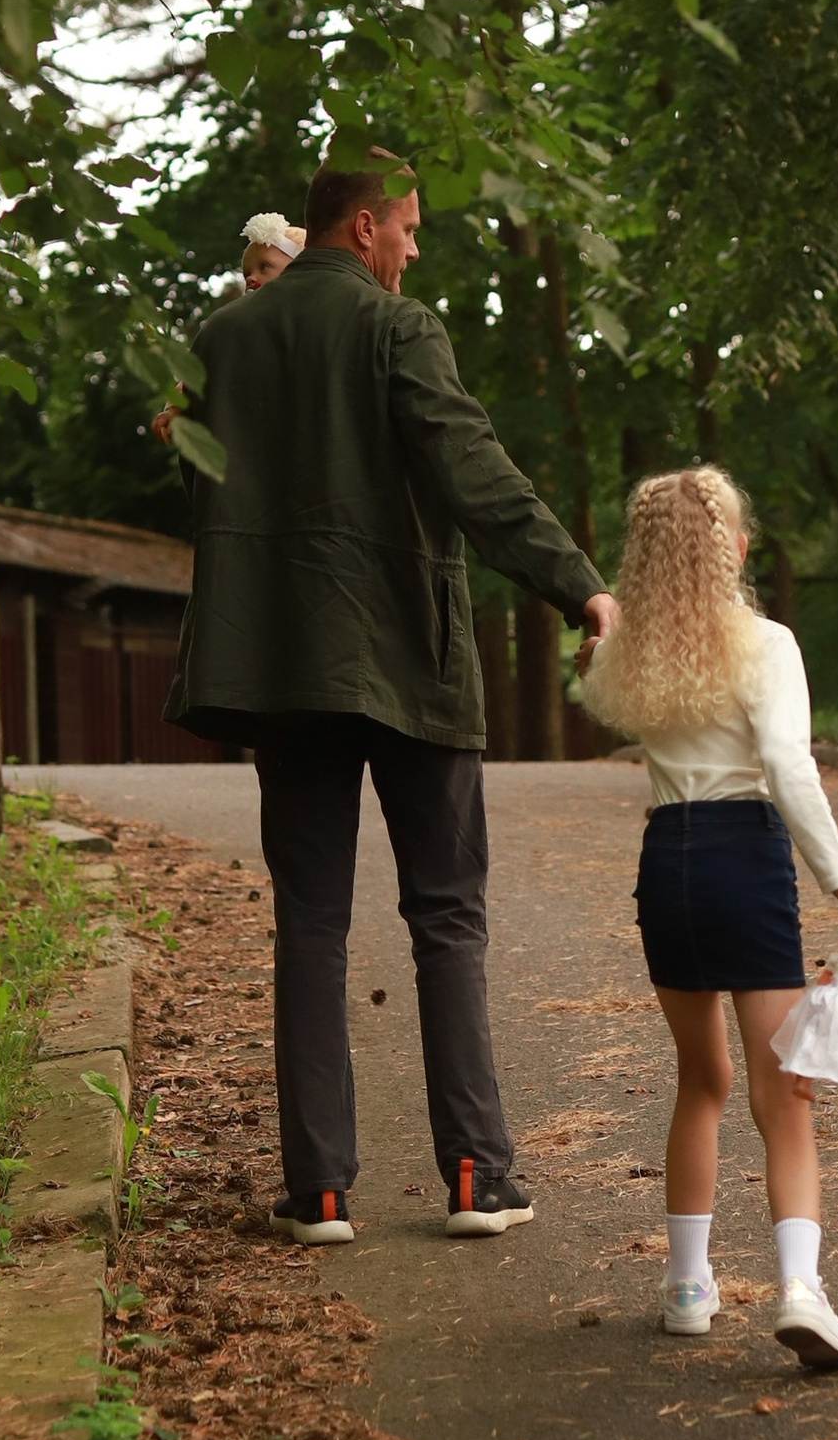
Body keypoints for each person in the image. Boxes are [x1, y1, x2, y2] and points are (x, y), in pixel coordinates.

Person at [169, 150, 617, 1246]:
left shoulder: (223, 339)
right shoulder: (395, 329)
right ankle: (474, 1176)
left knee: (311, 925)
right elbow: (472, 473)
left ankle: (319, 1190)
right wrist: (579, 585)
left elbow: (199, 482)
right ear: (364, 226)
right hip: (410, 659)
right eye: (409, 229)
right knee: (447, 918)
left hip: (283, 667)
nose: (415, 249)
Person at [578, 466, 838, 1370]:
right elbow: (790, 771)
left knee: (701, 1081)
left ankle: (687, 1286)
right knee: (782, 1095)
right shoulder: (768, 643)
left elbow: (594, 685)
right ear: (738, 549)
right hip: (746, 859)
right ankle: (800, 1291)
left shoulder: (628, 655)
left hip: (666, 863)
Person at [151, 213, 308, 452]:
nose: (251, 278)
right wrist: (175, 409)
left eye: (264, 267)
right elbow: (197, 376)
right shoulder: (238, 329)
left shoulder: (314, 318)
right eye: (246, 274)